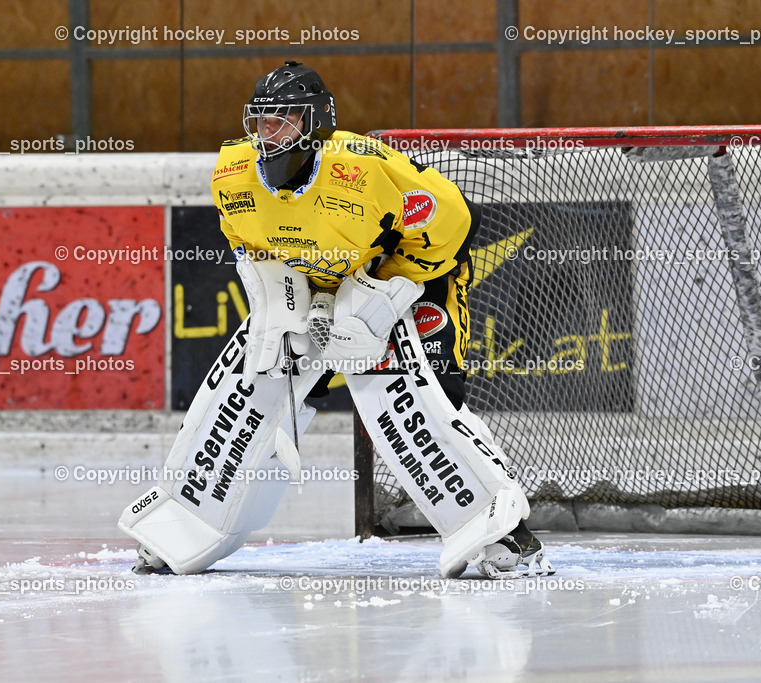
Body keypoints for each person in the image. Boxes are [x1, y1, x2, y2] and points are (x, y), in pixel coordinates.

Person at [119, 61, 553, 580]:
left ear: (316, 123)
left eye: (284, 121)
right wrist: (293, 299)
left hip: (409, 282)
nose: (269, 134)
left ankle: (504, 535)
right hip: (315, 284)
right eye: (262, 121)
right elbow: (248, 245)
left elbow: (458, 224)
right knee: (249, 380)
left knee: (419, 400)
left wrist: (378, 298)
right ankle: (186, 520)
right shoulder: (233, 173)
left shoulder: (363, 168)